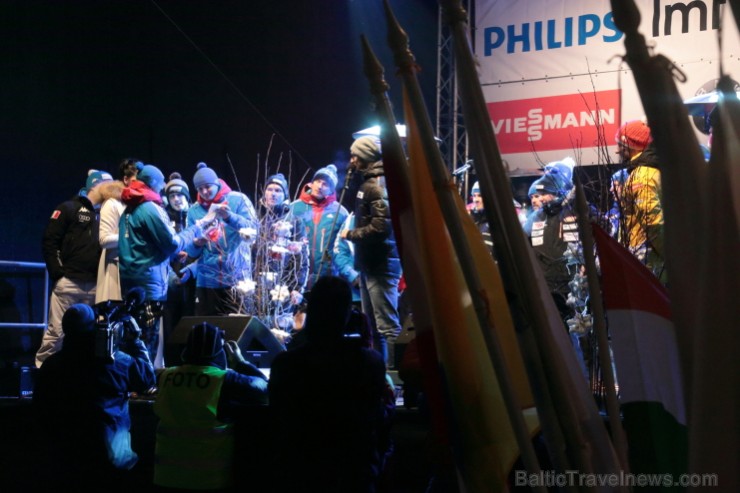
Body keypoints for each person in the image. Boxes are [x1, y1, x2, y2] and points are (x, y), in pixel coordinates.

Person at [269, 276, 389, 493]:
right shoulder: (370, 362)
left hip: (301, 472)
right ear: (347, 314)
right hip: (353, 474)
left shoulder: (286, 364)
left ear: (311, 312)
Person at [32, 303, 157, 491]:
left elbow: (40, 410)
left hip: (65, 460)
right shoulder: (118, 362)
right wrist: (136, 341)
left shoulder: (51, 365)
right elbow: (148, 379)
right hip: (113, 459)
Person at [153, 322, 268, 491]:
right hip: (207, 480)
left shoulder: (166, 375)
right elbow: (265, 390)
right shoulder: (223, 379)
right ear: (218, 352)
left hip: (165, 477)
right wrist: (240, 362)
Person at [119, 164, 210, 364]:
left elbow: (145, 245)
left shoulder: (129, 209)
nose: (163, 191)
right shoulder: (150, 208)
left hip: (132, 281)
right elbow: (172, 243)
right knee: (146, 339)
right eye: (162, 186)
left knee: (133, 337)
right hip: (150, 284)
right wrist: (198, 227)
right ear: (154, 184)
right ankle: (142, 387)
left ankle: (132, 384)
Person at [36, 169, 113, 367]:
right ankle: (43, 378)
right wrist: (58, 274)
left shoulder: (110, 213)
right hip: (69, 283)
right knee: (57, 334)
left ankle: (86, 382)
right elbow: (50, 241)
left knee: (96, 337)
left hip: (98, 287)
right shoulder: (69, 208)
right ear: (95, 185)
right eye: (108, 185)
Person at [340, 137, 402, 369]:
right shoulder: (368, 184)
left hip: (382, 265)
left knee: (386, 326)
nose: (352, 160)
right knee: (372, 326)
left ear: (365, 156)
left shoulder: (377, 185)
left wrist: (350, 234)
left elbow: (380, 227)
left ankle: (395, 377)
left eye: (355, 155)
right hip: (370, 264)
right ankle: (379, 374)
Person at [186, 162, 259, 316]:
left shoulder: (238, 200)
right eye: (200, 189)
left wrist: (229, 216)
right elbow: (190, 250)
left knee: (237, 330)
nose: (205, 192)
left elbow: (254, 229)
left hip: (237, 279)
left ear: (216, 182)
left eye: (208, 186)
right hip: (207, 280)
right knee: (207, 331)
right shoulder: (194, 211)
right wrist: (197, 243)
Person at [252, 173, 308, 335]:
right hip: (258, 288)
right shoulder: (256, 219)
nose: (273, 193)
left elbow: (301, 259)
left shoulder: (294, 221)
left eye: (278, 190)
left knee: (281, 332)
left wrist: (297, 287)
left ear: (284, 195)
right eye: (269, 189)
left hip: (283, 286)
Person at [615, 120, 666, 283]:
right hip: (646, 258)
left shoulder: (642, 176)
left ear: (630, 144)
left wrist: (669, 255)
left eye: (620, 144)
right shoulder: (643, 171)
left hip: (646, 261)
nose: (617, 150)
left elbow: (651, 221)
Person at [286, 164, 349, 289]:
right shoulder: (294, 207)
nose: (320, 186)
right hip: (296, 276)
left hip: (328, 277)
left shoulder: (340, 212)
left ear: (332, 190)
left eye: (325, 184)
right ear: (312, 183)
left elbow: (345, 247)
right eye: (318, 181)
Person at [96, 158, 142, 305]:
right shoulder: (113, 203)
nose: (140, 183)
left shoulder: (143, 204)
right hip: (116, 270)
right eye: (136, 179)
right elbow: (104, 240)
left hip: (138, 270)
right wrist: (132, 237)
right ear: (126, 179)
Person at [162, 172, 197, 357]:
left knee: (192, 327)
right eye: (172, 196)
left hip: (194, 283)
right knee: (171, 329)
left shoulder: (196, 215)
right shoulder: (164, 218)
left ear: (187, 195)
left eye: (180, 195)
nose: (176, 199)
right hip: (171, 284)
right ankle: (171, 367)